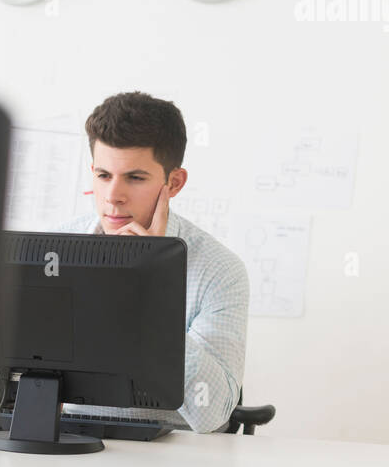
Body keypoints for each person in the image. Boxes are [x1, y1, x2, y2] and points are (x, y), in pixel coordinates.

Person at [58, 90, 248, 434]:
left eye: (135, 177)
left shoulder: (220, 271)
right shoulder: (55, 251)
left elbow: (211, 414)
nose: (113, 195)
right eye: (103, 175)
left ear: (173, 183)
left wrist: (151, 292)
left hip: (171, 461)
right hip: (69, 444)